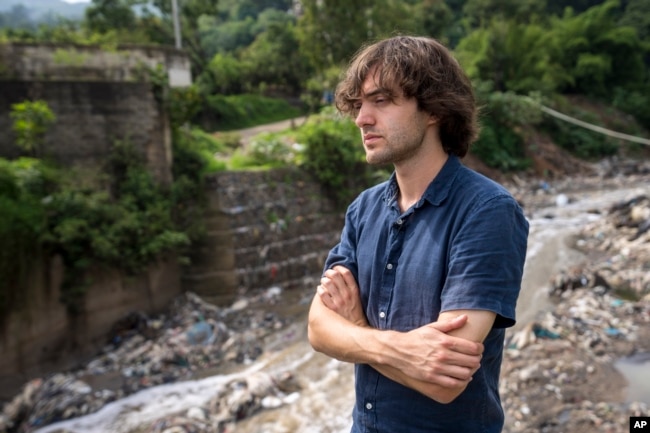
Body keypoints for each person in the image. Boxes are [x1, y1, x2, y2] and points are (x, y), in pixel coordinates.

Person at [307, 35, 529, 433]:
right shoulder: (363, 210)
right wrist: (398, 348)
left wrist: (355, 332)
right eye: (359, 104)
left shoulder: (487, 212)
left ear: (433, 109)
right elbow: (318, 329)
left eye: (381, 100)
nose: (361, 119)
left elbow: (443, 379)